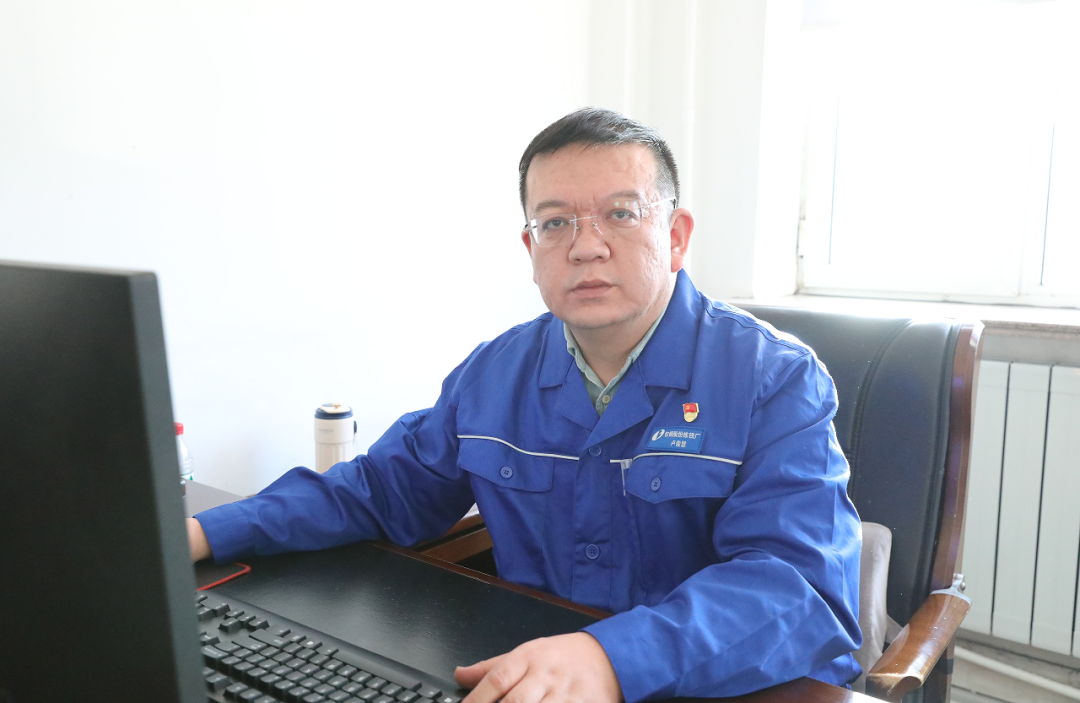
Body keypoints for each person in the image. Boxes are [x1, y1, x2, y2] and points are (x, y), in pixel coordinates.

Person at [188, 107, 862, 703]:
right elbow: (380, 491)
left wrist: (613, 658)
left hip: (728, 685)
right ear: (531, 248)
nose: (586, 246)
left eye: (621, 214)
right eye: (555, 222)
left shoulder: (775, 378)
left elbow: (799, 592)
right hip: (538, 674)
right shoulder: (495, 373)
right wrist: (204, 533)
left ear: (677, 236)